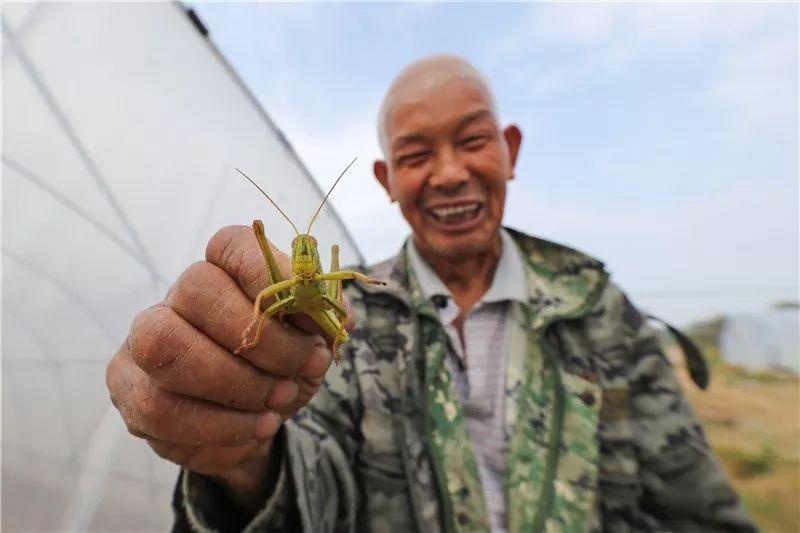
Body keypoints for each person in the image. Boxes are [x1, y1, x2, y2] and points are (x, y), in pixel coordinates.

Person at [106, 55, 757, 532]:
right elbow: (318, 479)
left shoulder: (603, 311)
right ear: (388, 179)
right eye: (416, 155)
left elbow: (699, 510)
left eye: (473, 140)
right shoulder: (354, 327)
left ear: (509, 151)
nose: (449, 174)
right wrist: (242, 461)